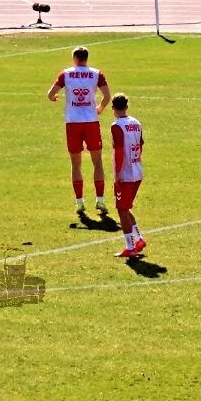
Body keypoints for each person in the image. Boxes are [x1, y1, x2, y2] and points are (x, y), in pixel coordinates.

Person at [47, 46, 112, 213]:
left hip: (73, 122)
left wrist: (54, 98)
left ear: (75, 58)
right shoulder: (97, 73)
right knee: (97, 161)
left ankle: (79, 202)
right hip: (91, 121)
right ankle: (100, 200)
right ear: (86, 58)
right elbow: (107, 96)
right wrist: (100, 108)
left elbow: (50, 94)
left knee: (76, 164)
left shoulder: (66, 74)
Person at [110, 94, 146, 259]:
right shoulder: (136, 123)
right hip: (137, 170)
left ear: (113, 109)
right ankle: (138, 240)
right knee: (125, 208)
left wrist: (117, 174)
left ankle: (130, 246)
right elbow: (141, 144)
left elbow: (118, 151)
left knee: (121, 209)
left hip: (125, 174)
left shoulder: (117, 126)